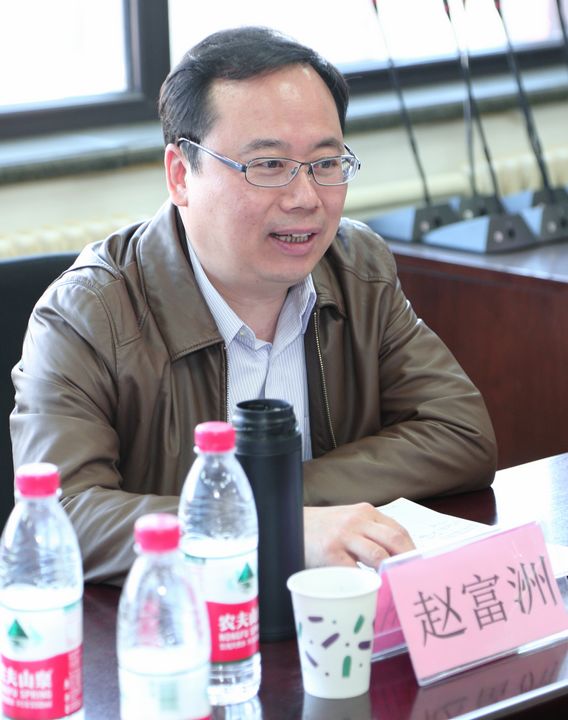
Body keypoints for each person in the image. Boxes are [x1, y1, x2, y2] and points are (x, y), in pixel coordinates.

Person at [10, 26, 497, 586]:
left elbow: (460, 433)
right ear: (180, 175)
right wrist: (273, 528)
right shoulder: (86, 313)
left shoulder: (355, 267)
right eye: (267, 165)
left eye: (326, 163)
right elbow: (61, 516)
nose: (305, 198)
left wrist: (278, 504)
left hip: (326, 605)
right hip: (169, 620)